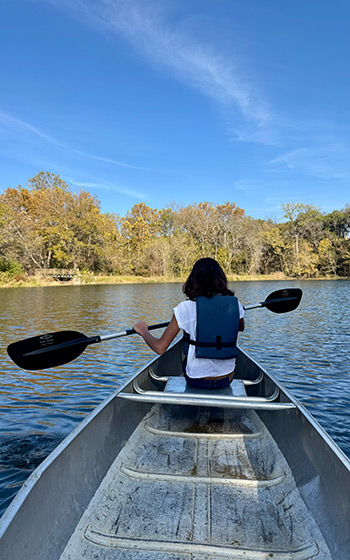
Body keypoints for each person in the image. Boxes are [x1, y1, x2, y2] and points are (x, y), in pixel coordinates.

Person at [133, 258, 244, 390]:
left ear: (193, 280)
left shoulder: (184, 308)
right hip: (226, 378)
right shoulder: (235, 304)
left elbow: (160, 348)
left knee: (187, 338)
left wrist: (143, 331)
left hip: (196, 379)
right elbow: (240, 328)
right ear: (220, 279)